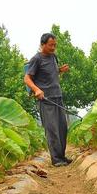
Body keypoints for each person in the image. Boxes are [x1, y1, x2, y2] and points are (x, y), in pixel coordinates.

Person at [24, 33, 71, 166]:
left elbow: (52, 73)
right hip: (46, 99)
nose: (53, 48)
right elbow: (27, 78)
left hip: (58, 96)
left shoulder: (53, 57)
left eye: (55, 45)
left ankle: (62, 156)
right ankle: (56, 159)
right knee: (52, 129)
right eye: (51, 45)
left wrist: (60, 70)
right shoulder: (36, 59)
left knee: (62, 128)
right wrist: (36, 90)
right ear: (42, 44)